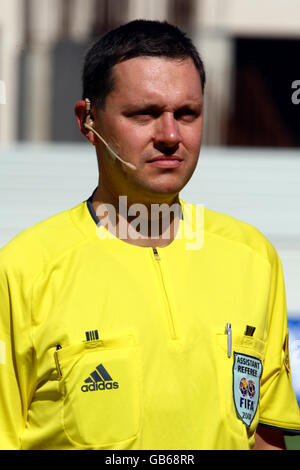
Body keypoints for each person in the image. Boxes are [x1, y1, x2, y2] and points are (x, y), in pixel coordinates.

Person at [0, 20, 299, 451]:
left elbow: (265, 440)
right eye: (145, 114)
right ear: (88, 120)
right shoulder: (23, 270)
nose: (170, 136)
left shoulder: (253, 256)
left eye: (186, 114)